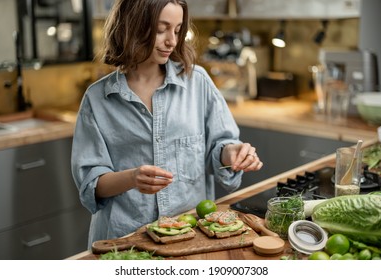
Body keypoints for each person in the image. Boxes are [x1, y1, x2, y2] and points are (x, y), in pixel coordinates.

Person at [71, 0, 263, 247]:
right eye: (162, 29)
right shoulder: (97, 98)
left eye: (177, 29)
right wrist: (132, 178)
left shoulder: (197, 82)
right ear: (133, 26)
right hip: (124, 241)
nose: (172, 41)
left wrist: (231, 153)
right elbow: (91, 183)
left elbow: (220, 145)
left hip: (189, 236)